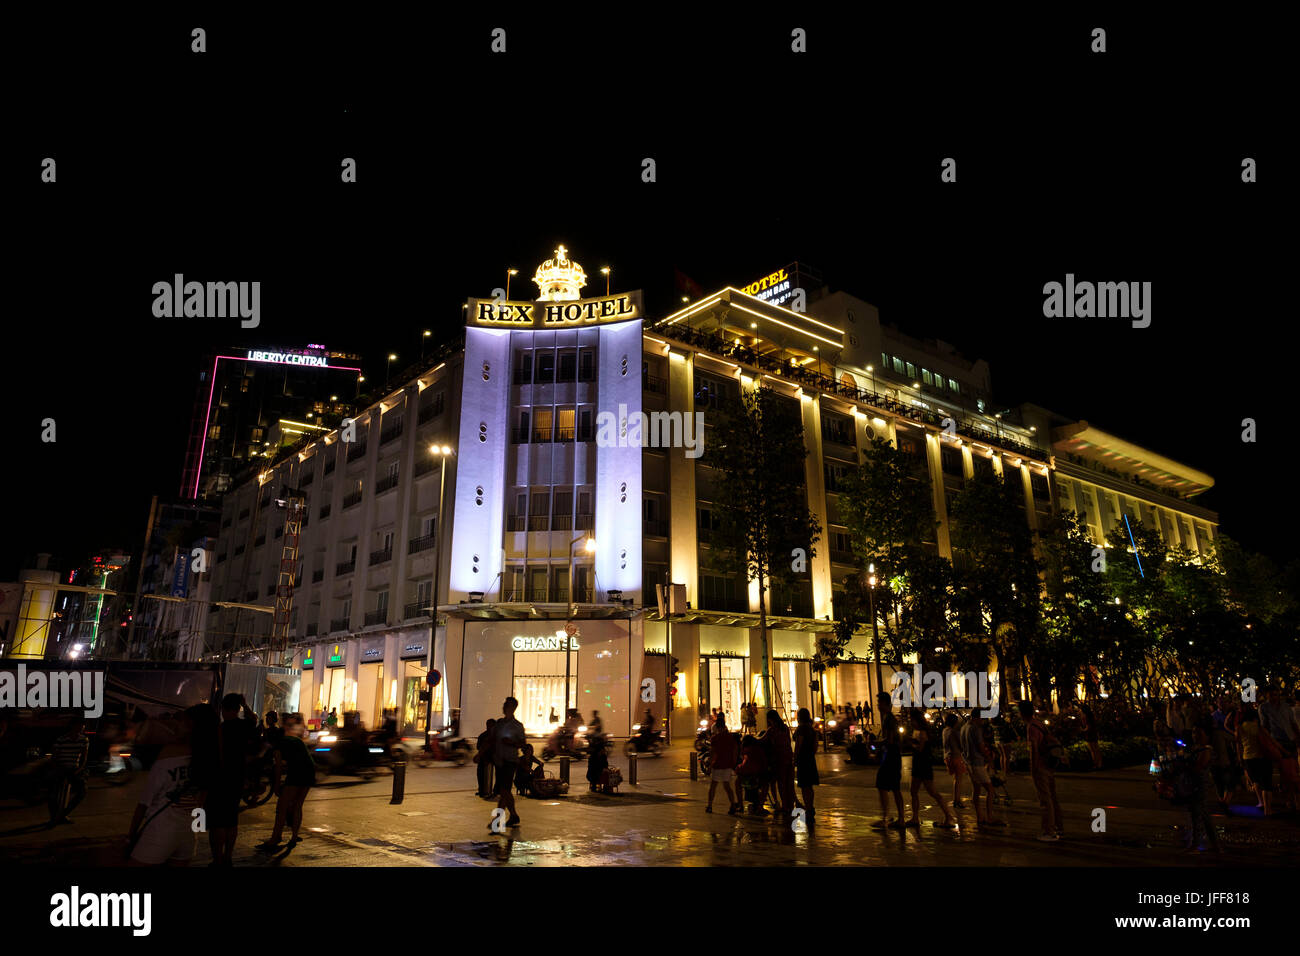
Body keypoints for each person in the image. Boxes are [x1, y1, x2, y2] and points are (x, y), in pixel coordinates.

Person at [128, 706, 218, 866]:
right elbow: (202, 801)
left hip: (160, 831)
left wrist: (131, 835)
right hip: (188, 834)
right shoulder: (210, 756)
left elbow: (145, 801)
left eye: (181, 721)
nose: (177, 724)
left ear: (191, 725)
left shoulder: (170, 753)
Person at [207, 693, 257, 866]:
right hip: (237, 777)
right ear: (238, 709)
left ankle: (217, 859)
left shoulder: (220, 729)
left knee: (217, 823)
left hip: (220, 778)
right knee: (231, 820)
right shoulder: (244, 726)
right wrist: (245, 704)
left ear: (223, 709)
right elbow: (254, 718)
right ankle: (228, 857)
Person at [259, 713, 315, 850]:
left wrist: (276, 785)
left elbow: (278, 766)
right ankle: (294, 836)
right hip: (309, 772)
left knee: (282, 808)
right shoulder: (295, 740)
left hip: (297, 774)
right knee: (297, 806)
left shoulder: (279, 744)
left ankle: (275, 838)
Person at [905, 709, 956, 829]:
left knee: (932, 792)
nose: (911, 722)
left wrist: (910, 743)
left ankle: (949, 816)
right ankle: (915, 817)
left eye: (912, 720)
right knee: (913, 791)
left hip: (923, 765)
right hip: (918, 764)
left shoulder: (922, 732)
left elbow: (920, 749)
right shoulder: (917, 731)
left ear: (917, 720)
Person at [1021, 700, 1064, 841]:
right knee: (1053, 797)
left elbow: (1034, 749)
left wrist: (1032, 769)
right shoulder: (1039, 723)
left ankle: (1049, 831)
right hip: (1049, 765)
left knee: (1045, 800)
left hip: (1041, 766)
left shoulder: (1031, 727)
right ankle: (1058, 827)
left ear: (1022, 713)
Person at [871, 692, 906, 830]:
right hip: (894, 756)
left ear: (885, 704)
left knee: (882, 785)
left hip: (890, 757)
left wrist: (876, 744)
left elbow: (889, 740)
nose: (878, 706)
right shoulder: (889, 718)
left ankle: (885, 818)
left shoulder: (889, 719)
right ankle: (899, 818)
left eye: (879, 703)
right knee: (895, 788)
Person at [1186, 721, 1222, 853]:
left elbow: (1198, 767)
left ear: (1207, 735)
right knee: (1202, 815)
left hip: (1200, 786)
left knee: (1198, 815)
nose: (1195, 736)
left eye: (1199, 733)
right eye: (1193, 732)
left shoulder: (1206, 750)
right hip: (1194, 785)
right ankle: (1215, 846)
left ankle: (1196, 844)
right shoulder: (1195, 748)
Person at [47, 717, 90, 826]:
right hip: (61, 768)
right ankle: (56, 817)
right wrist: (58, 769)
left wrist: (79, 770)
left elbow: (84, 758)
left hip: (74, 769)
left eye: (82, 726)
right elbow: (54, 758)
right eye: (79, 725)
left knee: (82, 791)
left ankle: (61, 815)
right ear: (72, 726)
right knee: (53, 794)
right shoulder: (61, 740)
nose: (81, 728)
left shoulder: (84, 740)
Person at [492, 697, 525, 829]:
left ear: (513, 708)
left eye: (507, 705)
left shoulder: (517, 726)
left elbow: (523, 744)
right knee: (504, 791)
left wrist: (512, 743)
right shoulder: (499, 723)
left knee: (504, 790)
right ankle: (514, 815)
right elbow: (492, 739)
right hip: (499, 760)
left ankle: (497, 821)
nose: (504, 707)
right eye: (504, 704)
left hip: (510, 761)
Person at [1236, 704, 1274, 816]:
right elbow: (1269, 740)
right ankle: (1268, 809)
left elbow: (1238, 744)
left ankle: (1260, 802)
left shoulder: (1240, 727)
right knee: (1266, 784)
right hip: (1262, 757)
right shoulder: (1258, 726)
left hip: (1248, 757)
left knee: (1256, 781)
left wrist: (1239, 758)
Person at [763, 710, 795, 818]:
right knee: (789, 783)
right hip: (788, 756)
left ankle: (785, 806)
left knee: (781, 783)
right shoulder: (785, 727)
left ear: (770, 719)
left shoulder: (772, 730)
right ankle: (790, 805)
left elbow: (762, 740)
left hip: (779, 758)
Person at [706, 714, 740, 813]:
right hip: (727, 764)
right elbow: (735, 749)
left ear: (717, 727)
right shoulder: (730, 737)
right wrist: (733, 761)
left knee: (713, 786)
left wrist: (709, 765)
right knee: (727, 786)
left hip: (718, 765)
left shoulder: (715, 738)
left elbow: (713, 753)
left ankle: (710, 806)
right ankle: (732, 805)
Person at [793, 708, 819, 818]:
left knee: (804, 786)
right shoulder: (812, 729)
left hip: (803, 759)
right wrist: (811, 754)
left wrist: (795, 758)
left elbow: (798, 744)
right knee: (810, 786)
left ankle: (808, 808)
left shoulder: (801, 729)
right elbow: (815, 746)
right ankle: (810, 807)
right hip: (810, 759)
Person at [735, 735, 770, 815]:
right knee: (765, 786)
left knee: (737, 784)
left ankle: (740, 805)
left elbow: (743, 763)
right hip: (756, 773)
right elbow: (763, 762)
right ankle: (760, 806)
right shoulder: (759, 749)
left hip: (745, 773)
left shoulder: (744, 749)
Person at [942, 713, 966, 809]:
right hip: (956, 756)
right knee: (959, 779)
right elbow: (961, 745)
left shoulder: (945, 731)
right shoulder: (954, 732)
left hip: (947, 756)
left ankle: (956, 799)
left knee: (956, 779)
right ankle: (957, 800)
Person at [475, 718, 497, 798]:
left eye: (491, 725)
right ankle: (482, 789)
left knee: (498, 773)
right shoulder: (482, 736)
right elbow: (479, 747)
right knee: (480, 772)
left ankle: (495, 790)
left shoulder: (496, 736)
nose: (489, 727)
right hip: (484, 757)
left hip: (494, 757)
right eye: (488, 725)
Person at [1077, 703, 1102, 770]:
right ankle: (1098, 763)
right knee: (1095, 749)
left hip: (1089, 734)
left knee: (1093, 749)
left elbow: (1088, 727)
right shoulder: (1090, 715)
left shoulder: (1086, 716)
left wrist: (1082, 730)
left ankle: (1097, 764)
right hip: (1091, 733)